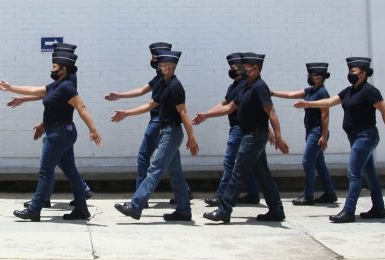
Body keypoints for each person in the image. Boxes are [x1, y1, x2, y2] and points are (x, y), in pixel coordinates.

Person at [0, 47, 102, 221]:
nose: (51, 69)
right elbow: (33, 90)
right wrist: (10, 87)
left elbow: (81, 107)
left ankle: (35, 209)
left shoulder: (67, 86)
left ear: (64, 69)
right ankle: (82, 209)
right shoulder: (56, 85)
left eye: (54, 66)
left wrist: (93, 130)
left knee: (45, 172)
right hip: (61, 132)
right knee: (71, 171)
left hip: (58, 134)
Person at [294, 56, 385, 223]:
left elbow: (384, 110)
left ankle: (348, 211)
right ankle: (379, 209)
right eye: (349, 71)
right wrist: (308, 104)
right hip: (355, 137)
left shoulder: (369, 91)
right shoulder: (349, 91)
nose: (350, 74)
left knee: (353, 174)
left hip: (365, 137)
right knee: (370, 174)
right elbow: (329, 102)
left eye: (353, 71)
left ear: (363, 73)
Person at [195, 52, 288, 223]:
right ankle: (277, 210)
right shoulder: (247, 86)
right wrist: (206, 115)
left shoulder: (260, 87)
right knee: (263, 174)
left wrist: (279, 138)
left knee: (237, 172)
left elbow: (271, 112)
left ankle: (224, 209)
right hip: (250, 133)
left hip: (254, 135)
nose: (243, 70)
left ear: (256, 68)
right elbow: (230, 107)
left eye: (246, 67)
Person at [112, 50, 199, 222]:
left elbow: (184, 113)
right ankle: (184, 210)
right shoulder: (164, 84)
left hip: (172, 132)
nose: (159, 69)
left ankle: (136, 206)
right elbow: (150, 105)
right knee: (176, 174)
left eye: (162, 66)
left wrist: (192, 137)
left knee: (155, 168)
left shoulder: (175, 86)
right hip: (166, 131)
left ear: (171, 67)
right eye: (159, 66)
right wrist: (127, 113)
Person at [272, 62, 338, 206]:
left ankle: (308, 196)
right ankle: (330, 193)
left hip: (317, 131)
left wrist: (324, 136)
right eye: (310, 75)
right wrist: (272, 92)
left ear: (322, 78)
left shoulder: (322, 92)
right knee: (319, 163)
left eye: (314, 76)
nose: (311, 77)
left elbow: (325, 116)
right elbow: (291, 94)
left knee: (308, 162)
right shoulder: (310, 91)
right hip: (311, 131)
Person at [203, 52, 261, 208]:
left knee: (229, 162)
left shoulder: (244, 85)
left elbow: (229, 107)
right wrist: (206, 114)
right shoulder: (234, 86)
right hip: (237, 127)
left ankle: (221, 195)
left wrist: (206, 115)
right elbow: (224, 102)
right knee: (246, 163)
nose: (232, 69)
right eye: (230, 67)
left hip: (239, 127)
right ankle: (253, 195)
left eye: (235, 67)